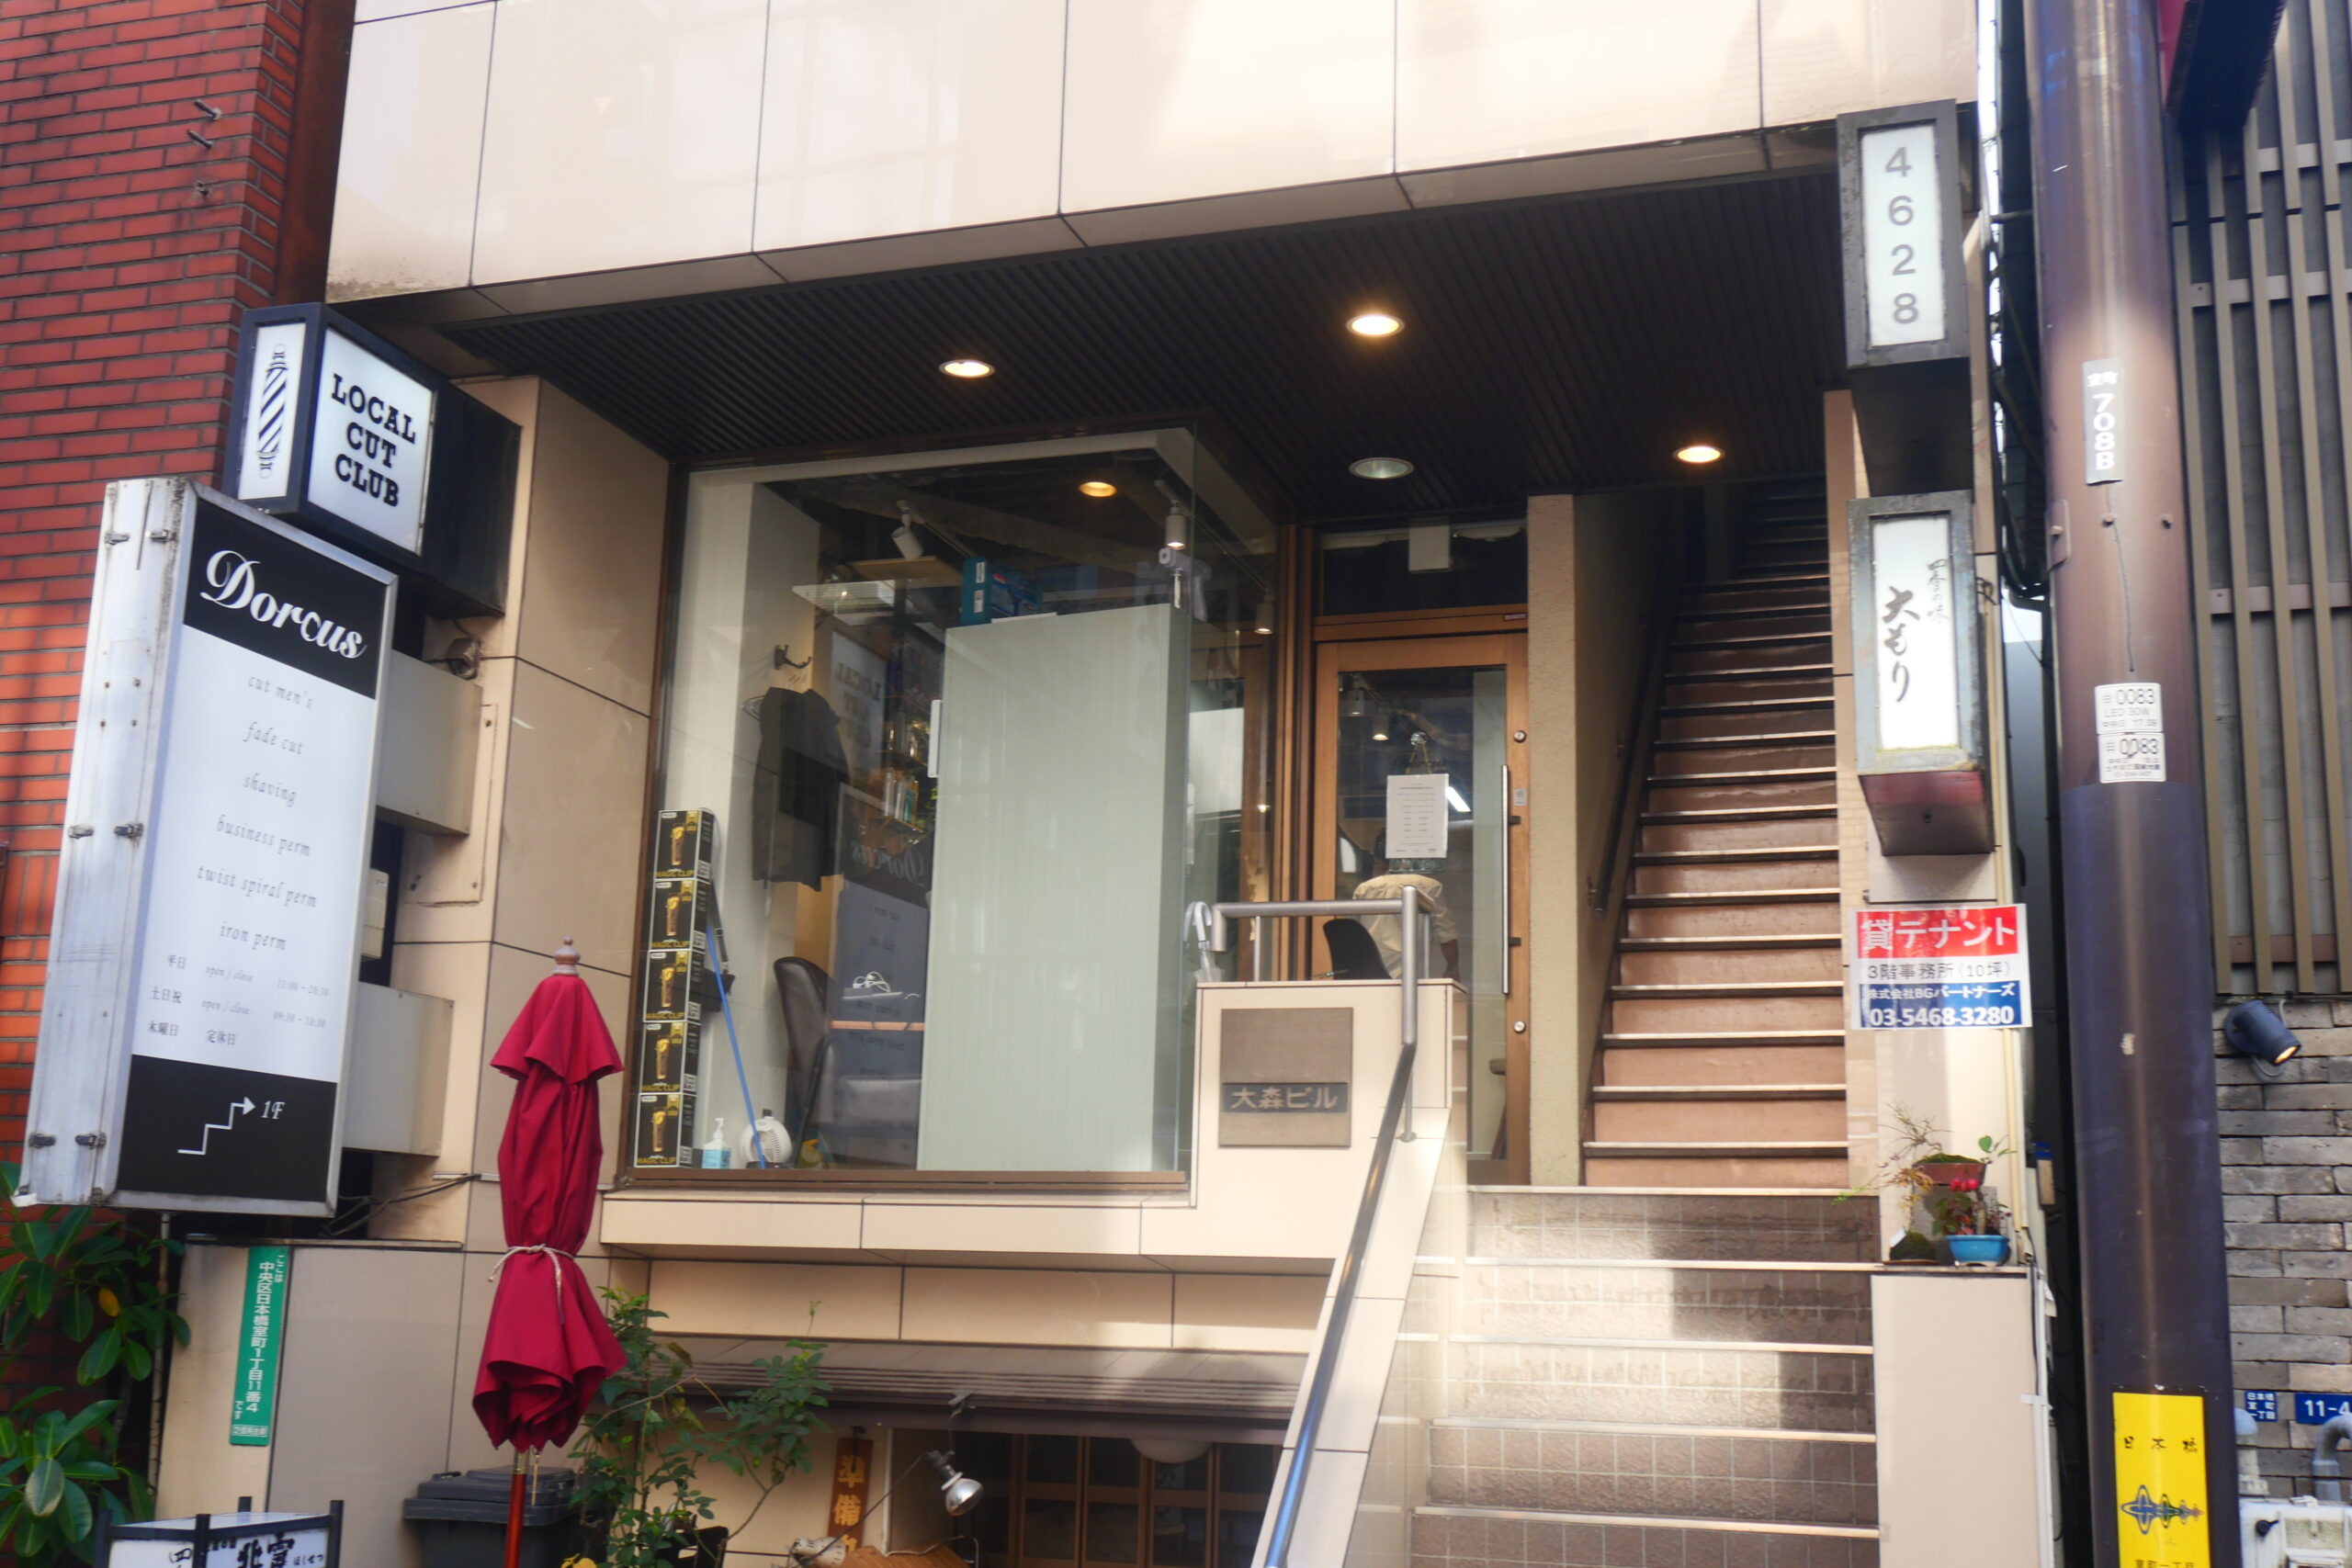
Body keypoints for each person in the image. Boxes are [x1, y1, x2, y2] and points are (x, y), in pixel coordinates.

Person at [1351, 844, 1460, 978]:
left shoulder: (1364, 888)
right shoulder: (1430, 886)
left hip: (1370, 966)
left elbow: (1354, 932)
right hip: (1410, 968)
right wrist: (1452, 967)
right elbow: (1447, 934)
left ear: (1380, 861)